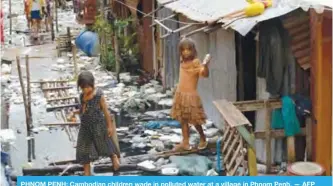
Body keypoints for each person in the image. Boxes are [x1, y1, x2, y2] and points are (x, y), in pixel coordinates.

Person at [73, 71, 120, 175]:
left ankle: (114, 157)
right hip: (85, 127)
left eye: (87, 87)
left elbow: (106, 112)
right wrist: (74, 113)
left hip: (98, 125)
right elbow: (82, 109)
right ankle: (87, 172)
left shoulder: (98, 95)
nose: (85, 90)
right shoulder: (82, 96)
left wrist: (109, 126)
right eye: (82, 88)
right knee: (84, 150)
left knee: (104, 145)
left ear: (92, 85)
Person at [170, 37, 212, 151]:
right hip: (180, 94)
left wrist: (206, 65)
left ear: (193, 50)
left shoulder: (195, 62)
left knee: (195, 120)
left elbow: (204, 74)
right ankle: (185, 142)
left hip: (191, 96)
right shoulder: (182, 60)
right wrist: (183, 38)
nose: (186, 52)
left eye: (188, 49)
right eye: (183, 50)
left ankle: (203, 138)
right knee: (183, 119)